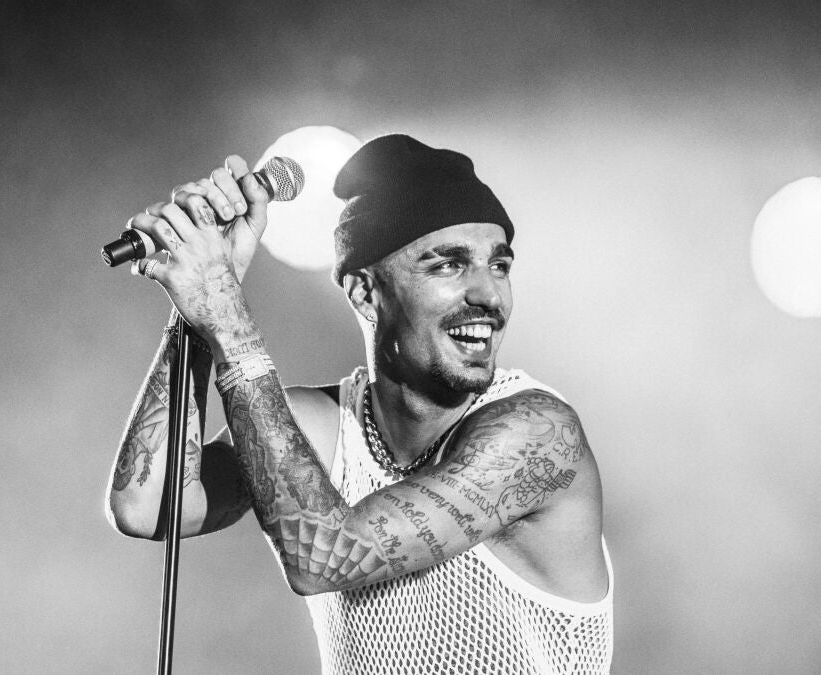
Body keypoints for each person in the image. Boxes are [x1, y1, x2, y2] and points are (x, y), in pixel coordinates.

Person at [105, 134, 613, 674]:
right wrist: (198, 302)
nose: (489, 295)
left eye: (500, 265)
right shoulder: (326, 426)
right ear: (365, 292)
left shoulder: (536, 434)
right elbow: (146, 507)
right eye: (448, 265)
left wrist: (225, 313)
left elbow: (322, 558)